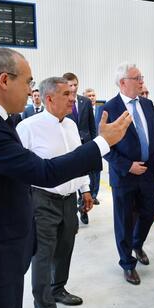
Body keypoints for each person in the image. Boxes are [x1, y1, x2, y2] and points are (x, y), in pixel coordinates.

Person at [0, 47, 131, 308]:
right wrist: (103, 143)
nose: (31, 90)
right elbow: (42, 172)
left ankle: (56, 289)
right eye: (28, 81)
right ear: (4, 80)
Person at [17, 77, 96, 308]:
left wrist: (85, 189)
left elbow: (79, 160)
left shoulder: (71, 125)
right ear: (49, 98)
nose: (73, 98)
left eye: (73, 93)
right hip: (42, 200)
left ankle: (58, 288)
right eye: (66, 94)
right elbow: (18, 169)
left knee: (65, 247)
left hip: (68, 200)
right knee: (42, 256)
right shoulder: (28, 127)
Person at [103, 62, 154, 285]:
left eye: (142, 77)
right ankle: (127, 263)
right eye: (137, 78)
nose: (142, 82)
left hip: (148, 173)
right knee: (124, 220)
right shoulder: (108, 108)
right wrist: (127, 165)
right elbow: (103, 147)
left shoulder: (147, 105)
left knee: (150, 211)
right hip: (124, 176)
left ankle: (137, 244)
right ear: (123, 83)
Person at [63, 72, 96, 224]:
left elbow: (91, 125)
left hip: (87, 145)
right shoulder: (63, 102)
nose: (73, 88)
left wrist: (94, 145)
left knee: (88, 179)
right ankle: (78, 204)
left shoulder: (85, 102)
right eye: (70, 85)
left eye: (75, 84)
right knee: (75, 178)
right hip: (70, 147)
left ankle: (84, 209)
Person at [82, 87, 101, 205]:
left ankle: (94, 195)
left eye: (93, 95)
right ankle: (84, 194)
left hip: (99, 145)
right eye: (89, 96)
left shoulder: (101, 109)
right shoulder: (82, 110)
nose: (91, 98)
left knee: (97, 171)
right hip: (86, 145)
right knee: (85, 172)